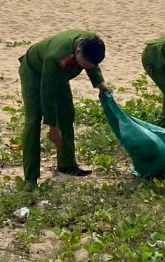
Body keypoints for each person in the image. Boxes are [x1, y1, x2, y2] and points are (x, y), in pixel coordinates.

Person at [18, 31, 110, 186]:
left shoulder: (91, 44)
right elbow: (47, 93)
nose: (87, 67)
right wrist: (52, 127)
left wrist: (100, 84)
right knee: (33, 120)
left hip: (59, 75)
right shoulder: (56, 57)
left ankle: (67, 164)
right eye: (84, 65)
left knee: (67, 114)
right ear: (78, 51)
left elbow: (92, 64)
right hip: (35, 72)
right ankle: (30, 178)